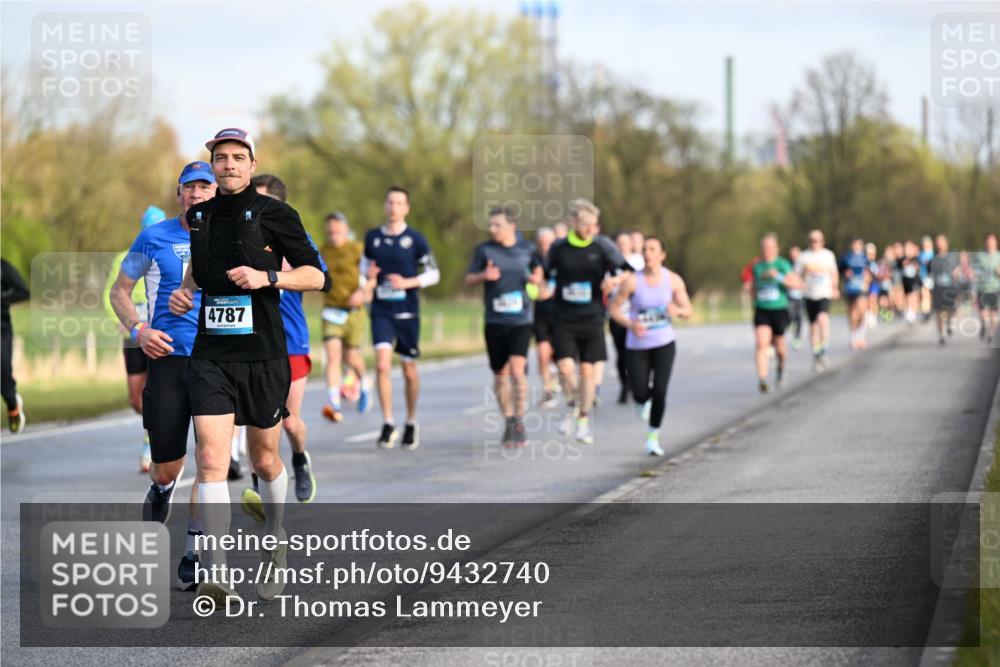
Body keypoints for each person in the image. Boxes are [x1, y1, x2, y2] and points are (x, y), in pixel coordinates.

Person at [168, 128, 325, 605]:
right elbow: (199, 263)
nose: (230, 165)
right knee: (211, 462)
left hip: (264, 355)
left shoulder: (277, 214)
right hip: (211, 354)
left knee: (263, 460)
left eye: (239, 158)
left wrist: (268, 276)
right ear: (212, 166)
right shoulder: (199, 215)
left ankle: (275, 542)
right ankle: (217, 569)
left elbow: (317, 275)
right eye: (221, 158)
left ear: (252, 165)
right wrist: (187, 288)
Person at [109, 161, 217, 590]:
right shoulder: (153, 237)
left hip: (216, 361)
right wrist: (140, 330)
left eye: (204, 187)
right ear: (179, 195)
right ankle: (161, 488)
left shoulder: (229, 235)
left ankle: (194, 549)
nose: (196, 195)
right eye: (189, 188)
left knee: (211, 461)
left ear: (215, 193)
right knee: (168, 467)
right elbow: (119, 291)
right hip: (168, 359)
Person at [238, 173, 329, 510]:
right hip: (250, 340)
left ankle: (301, 460)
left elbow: (323, 280)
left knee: (288, 420)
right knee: (254, 420)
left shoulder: (295, 237)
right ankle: (257, 484)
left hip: (290, 339)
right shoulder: (240, 233)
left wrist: (278, 273)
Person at [545, 198, 631, 445]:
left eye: (595, 224)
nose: (592, 229)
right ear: (573, 223)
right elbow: (548, 275)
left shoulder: (602, 246)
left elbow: (627, 269)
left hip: (592, 318)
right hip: (563, 318)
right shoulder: (559, 248)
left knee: (587, 371)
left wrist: (613, 281)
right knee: (564, 368)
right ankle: (573, 402)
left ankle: (583, 420)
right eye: (587, 225)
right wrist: (545, 287)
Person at [362, 186, 440, 450]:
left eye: (399, 203)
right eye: (390, 202)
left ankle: (411, 421)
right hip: (382, 311)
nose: (394, 207)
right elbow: (364, 271)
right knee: (382, 365)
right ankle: (387, 422)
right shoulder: (372, 238)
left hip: (407, 311)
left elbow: (434, 274)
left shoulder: (416, 239)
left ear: (406, 208)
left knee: (408, 370)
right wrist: (369, 279)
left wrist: (408, 282)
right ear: (385, 206)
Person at [465, 207, 544, 448]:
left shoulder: (528, 249)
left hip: (521, 320)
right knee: (500, 374)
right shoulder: (484, 250)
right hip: (494, 321)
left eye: (497, 225)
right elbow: (469, 278)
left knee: (518, 371)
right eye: (490, 225)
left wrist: (536, 279)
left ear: (511, 225)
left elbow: (540, 270)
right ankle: (508, 419)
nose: (492, 229)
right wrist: (482, 276)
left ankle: (518, 419)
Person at [610, 237, 692, 456]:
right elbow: (614, 309)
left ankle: (653, 437)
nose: (647, 253)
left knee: (660, 390)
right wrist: (630, 323)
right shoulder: (632, 281)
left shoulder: (673, 280)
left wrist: (678, 311)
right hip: (637, 346)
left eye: (652, 249)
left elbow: (688, 309)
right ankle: (640, 401)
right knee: (639, 391)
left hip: (664, 343)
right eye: (645, 249)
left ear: (662, 255)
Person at [105, 205, 166, 471]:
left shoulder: (169, 250)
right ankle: (153, 425)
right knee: (135, 398)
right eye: (147, 228)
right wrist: (122, 321)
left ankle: (152, 439)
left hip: (161, 332)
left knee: (157, 392)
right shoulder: (125, 256)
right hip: (133, 331)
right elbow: (112, 293)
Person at [319, 211, 371, 422]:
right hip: (332, 310)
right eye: (330, 229)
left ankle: (365, 382)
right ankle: (334, 403)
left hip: (354, 312)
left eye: (337, 228)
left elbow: (373, 274)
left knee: (351, 357)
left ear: (346, 229)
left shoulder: (357, 249)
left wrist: (364, 292)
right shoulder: (323, 251)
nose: (333, 232)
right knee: (333, 357)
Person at [752, 233, 802, 393]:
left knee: (780, 347)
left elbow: (796, 284)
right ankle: (763, 378)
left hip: (779, 309)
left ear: (776, 248)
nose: (767, 250)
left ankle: (780, 368)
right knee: (761, 344)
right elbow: (753, 287)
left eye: (770, 247)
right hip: (762, 309)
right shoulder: (757, 266)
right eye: (764, 247)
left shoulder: (783, 264)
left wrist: (778, 276)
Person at [795, 230, 838, 372]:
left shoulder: (828, 255)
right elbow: (797, 276)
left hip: (824, 293)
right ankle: (816, 353)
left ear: (823, 241)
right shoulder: (803, 257)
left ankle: (824, 350)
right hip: (809, 294)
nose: (815, 243)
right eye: (812, 240)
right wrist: (801, 280)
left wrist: (835, 288)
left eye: (818, 240)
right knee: (813, 327)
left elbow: (834, 272)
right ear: (809, 242)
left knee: (823, 320)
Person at [529, 226, 560, 408]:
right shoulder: (533, 261)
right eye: (542, 243)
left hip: (560, 313)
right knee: (542, 353)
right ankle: (548, 391)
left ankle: (556, 379)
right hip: (541, 313)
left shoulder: (561, 259)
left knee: (558, 355)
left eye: (548, 242)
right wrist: (535, 286)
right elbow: (530, 287)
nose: (545, 246)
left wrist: (551, 289)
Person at [1, 258, 29, 433]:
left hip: (1, 331)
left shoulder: (3, 267)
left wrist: (2, 298)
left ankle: (13, 406)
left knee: (3, 376)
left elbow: (23, 292)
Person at [609, 231, 635, 403]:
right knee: (620, 353)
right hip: (617, 314)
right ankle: (624, 385)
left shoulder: (639, 260)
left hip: (635, 315)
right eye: (619, 242)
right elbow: (606, 286)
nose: (623, 245)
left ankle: (635, 382)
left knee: (633, 352)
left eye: (626, 242)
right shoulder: (609, 262)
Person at [840, 236, 870, 350]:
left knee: (862, 310)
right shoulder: (846, 257)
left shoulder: (865, 258)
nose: (856, 247)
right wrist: (845, 273)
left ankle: (861, 336)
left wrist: (867, 276)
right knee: (852, 313)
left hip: (861, 288)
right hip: (850, 288)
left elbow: (870, 270)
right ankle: (853, 337)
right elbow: (839, 270)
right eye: (855, 244)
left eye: (859, 245)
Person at [929, 234, 959, 346]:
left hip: (950, 287)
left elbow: (958, 269)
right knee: (938, 312)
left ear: (947, 243)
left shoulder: (953, 257)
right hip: (937, 288)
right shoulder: (933, 258)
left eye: (941, 241)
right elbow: (929, 273)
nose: (939, 244)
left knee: (950, 310)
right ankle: (941, 335)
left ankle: (950, 323)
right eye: (937, 241)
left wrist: (957, 273)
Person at [975, 233, 1000, 344]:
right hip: (982, 288)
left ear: (996, 242)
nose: (990, 243)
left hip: (995, 288)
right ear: (986, 243)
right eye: (988, 241)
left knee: (993, 313)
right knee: (983, 312)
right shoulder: (980, 256)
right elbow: (975, 270)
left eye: (992, 241)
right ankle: (984, 325)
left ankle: (991, 333)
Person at [898, 240, 922, 325]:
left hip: (914, 279)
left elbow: (918, 268)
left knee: (913, 296)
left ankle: (912, 312)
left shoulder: (915, 259)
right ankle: (908, 310)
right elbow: (899, 267)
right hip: (905, 280)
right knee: (907, 296)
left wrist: (914, 264)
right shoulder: (902, 259)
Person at [786, 245, 805, 350]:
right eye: (792, 253)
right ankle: (791, 328)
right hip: (790, 294)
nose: (793, 255)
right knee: (789, 315)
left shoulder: (803, 265)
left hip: (801, 295)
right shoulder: (787, 265)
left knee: (799, 317)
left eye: (796, 253)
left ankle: (797, 338)